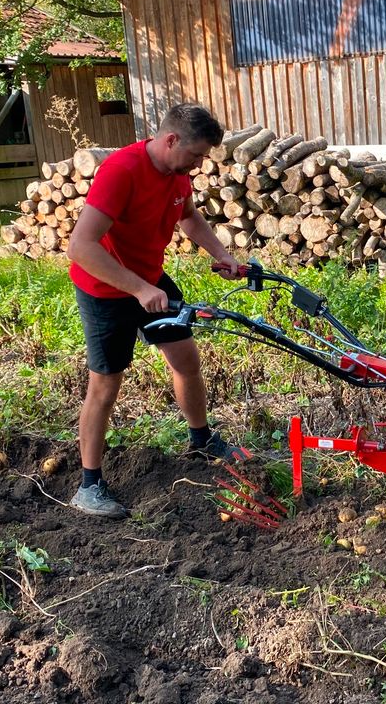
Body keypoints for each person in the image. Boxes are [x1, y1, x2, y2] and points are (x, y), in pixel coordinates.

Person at [66, 102, 250, 518]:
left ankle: (201, 440)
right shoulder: (121, 171)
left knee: (186, 360)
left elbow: (189, 218)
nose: (199, 164)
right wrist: (137, 288)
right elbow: (80, 247)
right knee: (105, 386)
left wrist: (223, 254)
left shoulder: (176, 174)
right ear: (171, 140)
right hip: (106, 288)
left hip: (150, 280)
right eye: (196, 154)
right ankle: (89, 485)